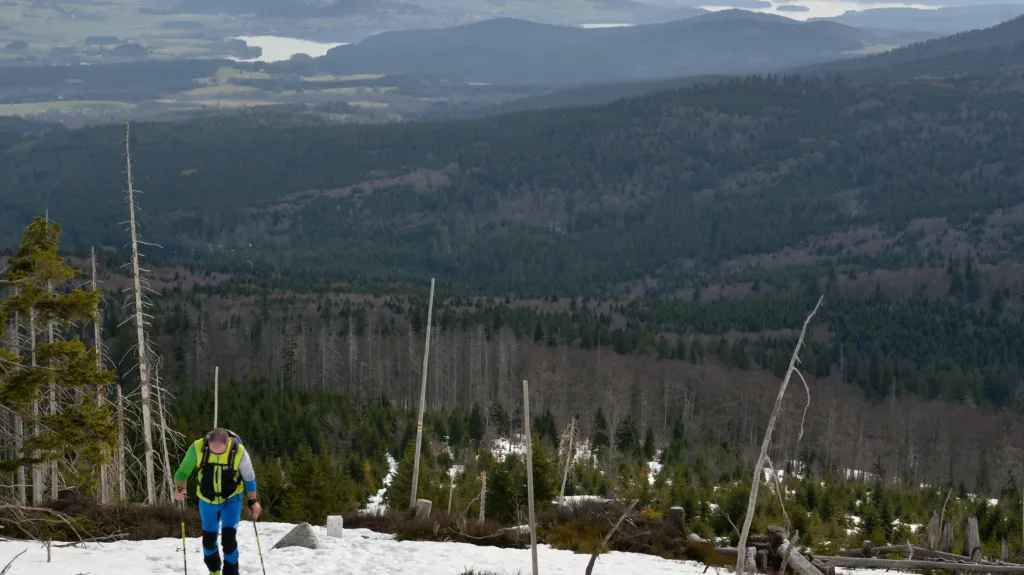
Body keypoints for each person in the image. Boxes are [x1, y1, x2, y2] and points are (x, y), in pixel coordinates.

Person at [174, 428, 262, 575]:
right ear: (208, 442)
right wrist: (179, 487)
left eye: (220, 452)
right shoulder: (197, 447)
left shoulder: (238, 451)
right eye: (213, 450)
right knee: (208, 541)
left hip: (231, 499)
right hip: (207, 500)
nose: (216, 454)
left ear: (228, 444)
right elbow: (182, 472)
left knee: (228, 540)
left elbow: (249, 477)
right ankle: (214, 571)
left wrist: (253, 501)